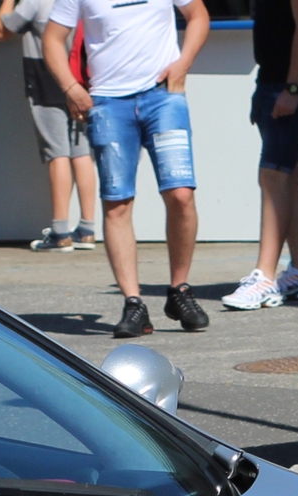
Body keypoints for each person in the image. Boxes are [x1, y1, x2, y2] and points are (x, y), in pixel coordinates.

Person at [44, 0, 210, 336]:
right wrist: (71, 86)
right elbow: (51, 38)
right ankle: (134, 303)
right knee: (117, 204)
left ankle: (180, 290)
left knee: (181, 195)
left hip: (163, 97)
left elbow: (198, 15)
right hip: (108, 103)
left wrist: (183, 63)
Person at [222, 0, 298, 310]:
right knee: (289, 175)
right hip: (273, 83)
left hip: (297, 86)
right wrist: (265, 89)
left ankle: (265, 278)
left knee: (272, 176)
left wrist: (292, 89)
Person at [0, 0, 97, 251]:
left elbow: (2, 31)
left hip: (46, 84)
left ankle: (60, 231)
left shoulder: (35, 1)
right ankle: (87, 230)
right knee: (82, 152)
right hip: (81, 83)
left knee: (57, 154)